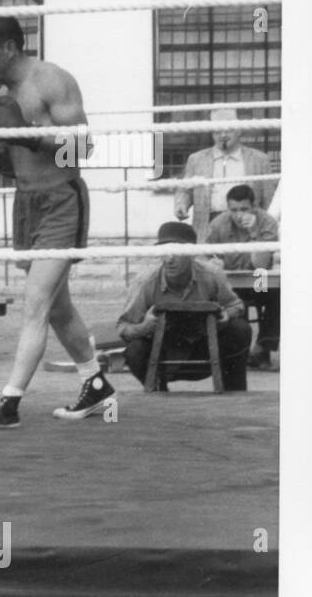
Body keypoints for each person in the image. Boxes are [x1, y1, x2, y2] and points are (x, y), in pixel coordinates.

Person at [0, 16, 112, 430]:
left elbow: (84, 149)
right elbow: (19, 165)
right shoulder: (4, 97)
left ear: (8, 47)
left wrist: (30, 137)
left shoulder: (51, 81)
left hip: (62, 201)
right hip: (27, 204)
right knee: (58, 309)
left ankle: (9, 403)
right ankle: (95, 384)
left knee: (35, 303)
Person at [117, 222, 250, 392]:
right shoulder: (146, 282)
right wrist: (144, 327)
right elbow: (123, 327)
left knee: (240, 330)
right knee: (135, 350)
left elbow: (236, 305)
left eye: (177, 252)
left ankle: (235, 397)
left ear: (192, 254)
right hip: (163, 351)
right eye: (164, 252)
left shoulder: (212, 275)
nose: (170, 259)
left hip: (204, 347)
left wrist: (227, 314)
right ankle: (158, 393)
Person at [205, 184, 280, 369]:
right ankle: (239, 352)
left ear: (254, 206)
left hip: (259, 278)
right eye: (234, 210)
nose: (239, 215)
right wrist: (214, 263)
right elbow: (205, 257)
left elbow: (260, 264)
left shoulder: (267, 222)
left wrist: (254, 232)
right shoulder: (218, 224)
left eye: (244, 209)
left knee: (277, 295)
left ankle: (262, 348)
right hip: (230, 281)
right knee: (231, 300)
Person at [174, 109, 276, 241]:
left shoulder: (259, 159)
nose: (222, 135)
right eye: (217, 131)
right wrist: (181, 205)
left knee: (243, 260)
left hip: (245, 226)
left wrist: (265, 230)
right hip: (208, 226)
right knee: (209, 261)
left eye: (228, 130)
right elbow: (185, 190)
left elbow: (270, 200)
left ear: (239, 131)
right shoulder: (196, 159)